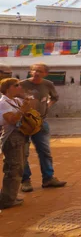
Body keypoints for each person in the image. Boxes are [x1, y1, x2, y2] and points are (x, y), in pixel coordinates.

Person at [20, 63, 66, 192]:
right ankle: (25, 180)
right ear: (30, 72)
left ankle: (48, 178)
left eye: (40, 71)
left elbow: (55, 97)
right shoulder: (21, 85)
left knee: (44, 151)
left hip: (41, 121)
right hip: (24, 122)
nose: (37, 73)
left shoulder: (48, 84)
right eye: (34, 71)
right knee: (23, 152)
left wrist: (47, 106)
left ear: (45, 73)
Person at [0, 78, 31, 209]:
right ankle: (7, 200)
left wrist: (25, 99)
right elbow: (11, 120)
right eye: (16, 85)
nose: (19, 87)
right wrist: (22, 110)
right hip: (11, 138)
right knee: (13, 168)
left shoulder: (15, 101)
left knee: (18, 167)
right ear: (8, 88)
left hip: (20, 137)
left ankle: (10, 196)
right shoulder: (3, 103)